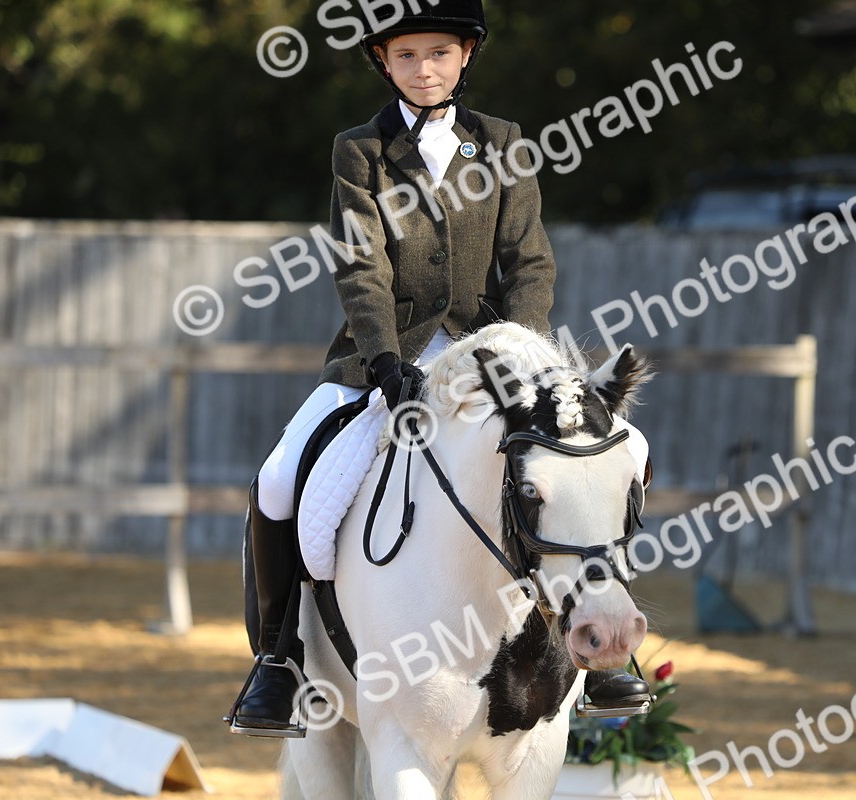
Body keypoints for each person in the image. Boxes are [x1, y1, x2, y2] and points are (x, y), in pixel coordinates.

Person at [228, 0, 649, 737]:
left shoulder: (506, 143)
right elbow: (361, 266)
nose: (424, 68)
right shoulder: (359, 151)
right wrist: (387, 359)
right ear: (383, 62)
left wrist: (526, 351)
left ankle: (608, 649)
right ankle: (277, 659)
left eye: (439, 53)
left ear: (465, 57)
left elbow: (530, 262)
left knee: (608, 458)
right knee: (278, 475)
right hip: (385, 356)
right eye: (407, 55)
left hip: (496, 356)